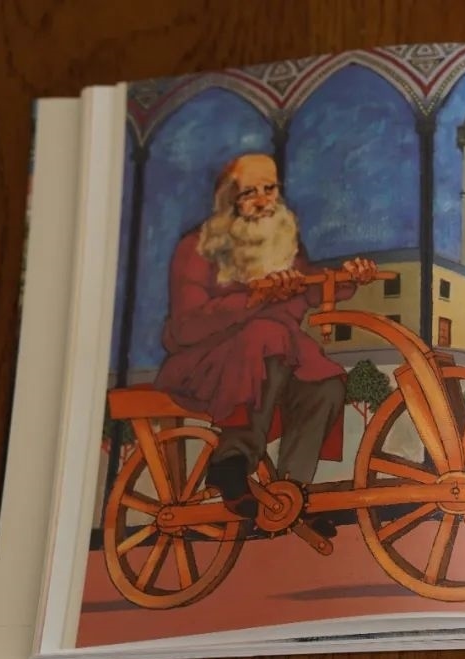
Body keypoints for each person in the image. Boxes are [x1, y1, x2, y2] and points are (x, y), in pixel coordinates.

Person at [153, 153, 377, 536]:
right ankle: (231, 462)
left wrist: (347, 279)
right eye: (249, 193)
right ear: (229, 200)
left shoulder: (283, 239)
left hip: (275, 354)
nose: (262, 201)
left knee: (325, 381)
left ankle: (291, 493)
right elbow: (185, 327)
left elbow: (307, 287)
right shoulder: (199, 247)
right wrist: (252, 299)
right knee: (266, 335)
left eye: (269, 189)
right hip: (204, 363)